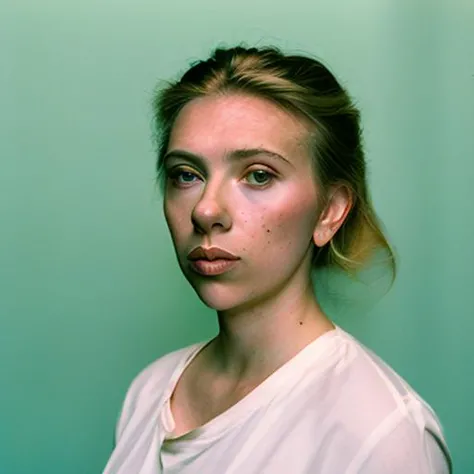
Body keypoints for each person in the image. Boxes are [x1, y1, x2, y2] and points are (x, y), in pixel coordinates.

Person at [103, 44, 452, 473]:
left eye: (258, 175)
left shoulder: (382, 433)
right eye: (186, 175)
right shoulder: (151, 391)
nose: (206, 210)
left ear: (329, 211)